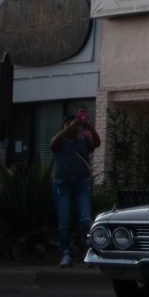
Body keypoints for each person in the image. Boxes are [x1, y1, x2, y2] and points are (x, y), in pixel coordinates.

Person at [50, 109, 100, 268]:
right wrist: (71, 126)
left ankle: (88, 252)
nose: (73, 128)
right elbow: (53, 143)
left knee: (86, 220)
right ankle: (65, 253)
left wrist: (89, 126)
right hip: (62, 184)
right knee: (64, 222)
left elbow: (96, 143)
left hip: (82, 184)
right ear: (63, 127)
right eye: (68, 125)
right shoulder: (59, 141)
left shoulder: (83, 141)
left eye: (74, 125)